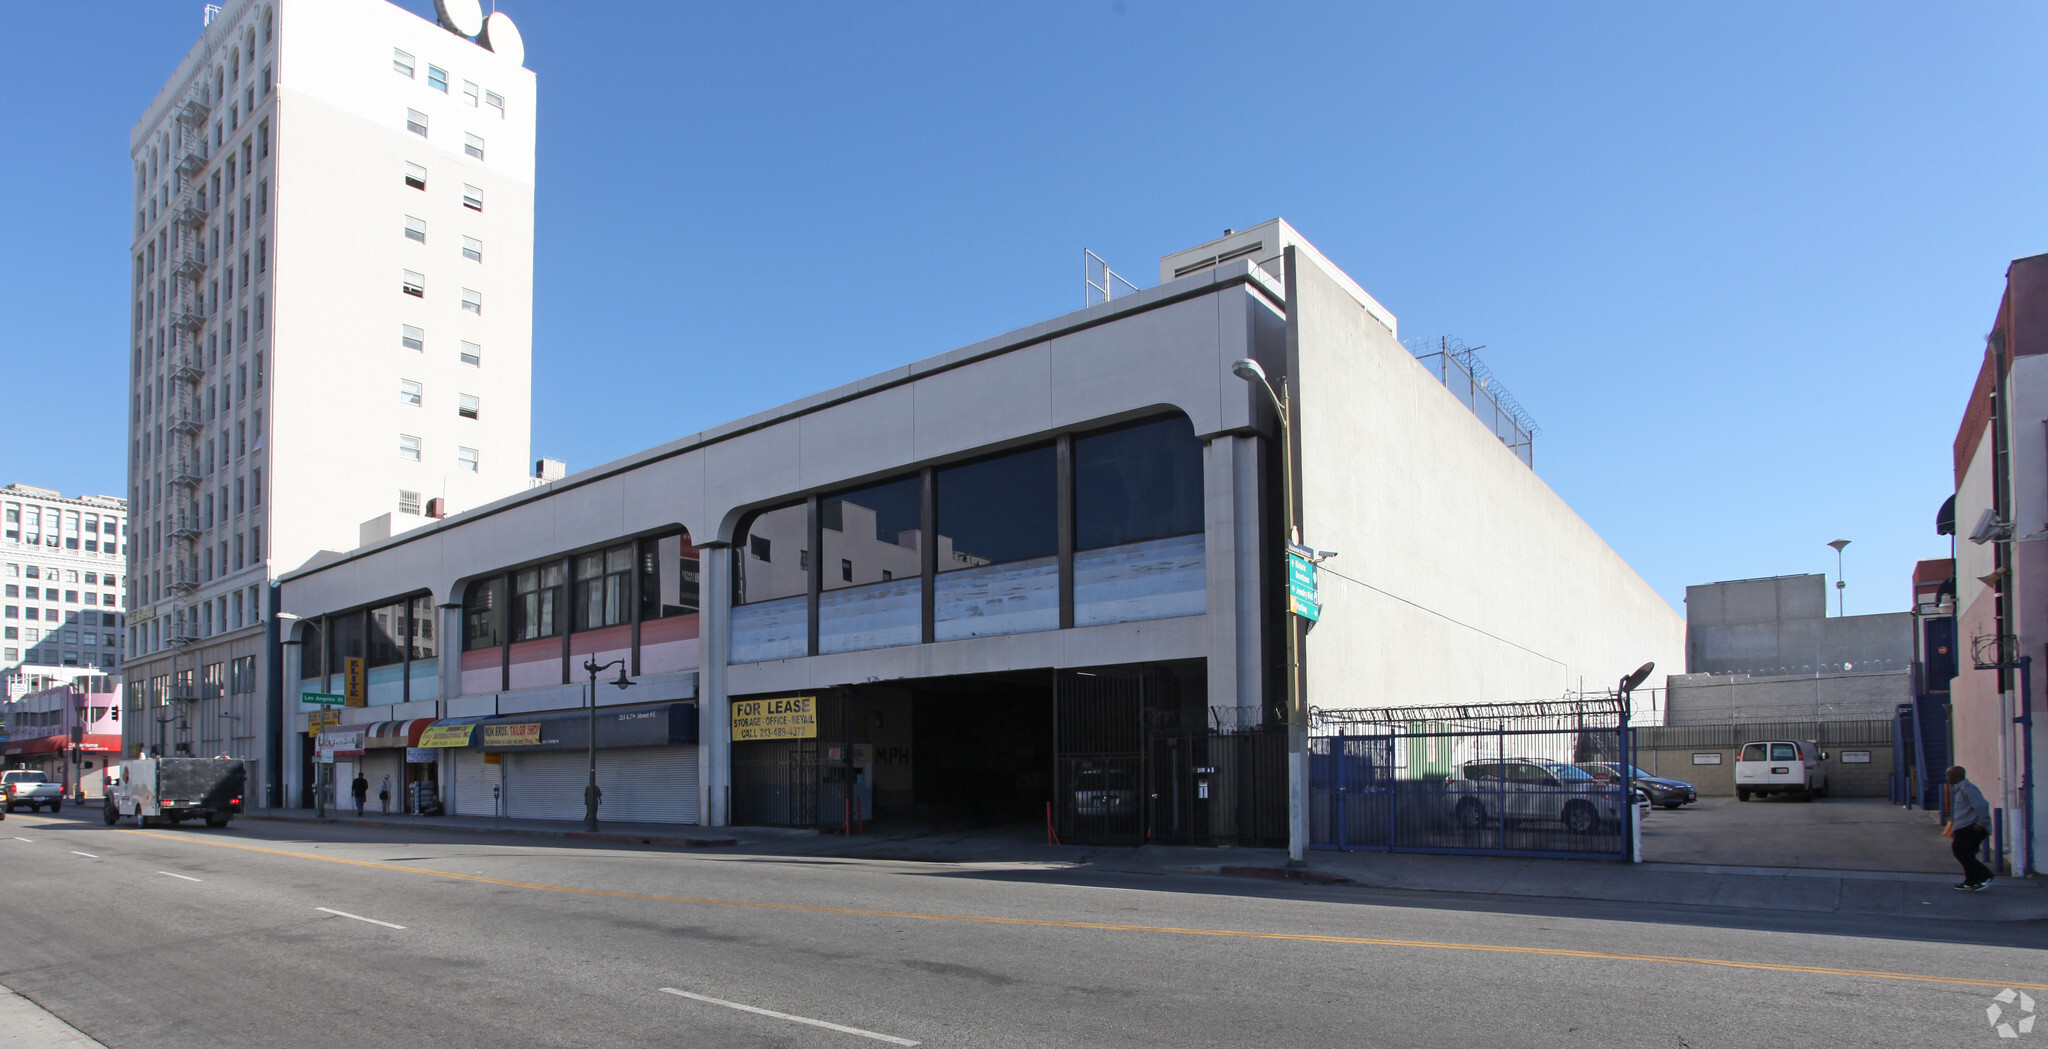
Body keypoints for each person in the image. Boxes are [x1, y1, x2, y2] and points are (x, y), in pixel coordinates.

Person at [1946, 766, 1995, 891]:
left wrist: (1981, 823)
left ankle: (1985, 876)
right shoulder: (1959, 789)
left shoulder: (1967, 788)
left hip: (1971, 827)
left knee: (1960, 851)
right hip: (1963, 826)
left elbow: (1982, 805)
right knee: (1967, 853)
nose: (1948, 778)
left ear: (1956, 776)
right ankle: (1970, 881)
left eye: (1949, 775)